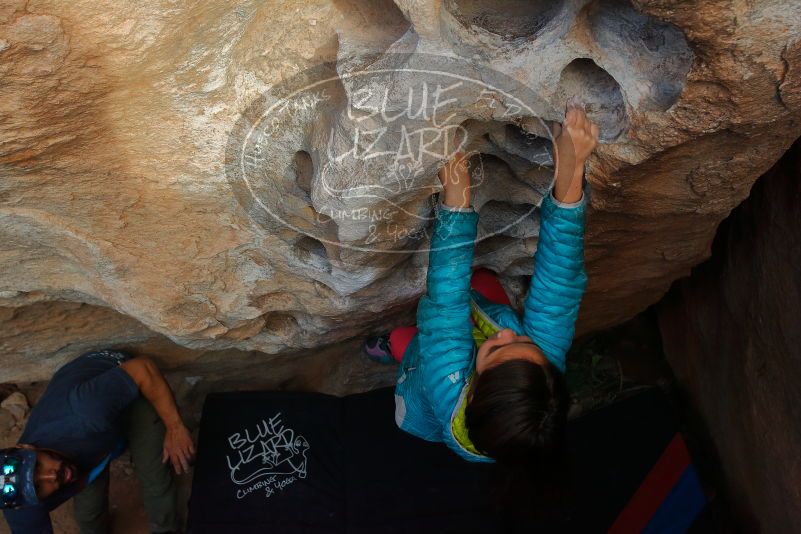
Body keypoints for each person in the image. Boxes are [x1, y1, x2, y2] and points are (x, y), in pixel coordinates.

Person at [364, 104, 599, 468]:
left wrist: (456, 204)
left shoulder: (449, 381)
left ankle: (387, 348)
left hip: (425, 383)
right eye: (522, 342)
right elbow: (559, 285)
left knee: (406, 342)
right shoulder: (538, 379)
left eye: (495, 352)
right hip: (470, 333)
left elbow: (446, 303)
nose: (508, 336)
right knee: (484, 282)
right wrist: (571, 170)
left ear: (473, 393)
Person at [1, 349, 195, 534]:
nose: (51, 477)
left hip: (125, 388)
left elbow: (142, 369)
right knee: (88, 512)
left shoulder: (83, 412)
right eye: (38, 488)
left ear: (25, 447)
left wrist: (175, 427)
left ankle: (166, 529)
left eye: (37, 467)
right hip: (90, 436)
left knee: (154, 475)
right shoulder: (19, 501)